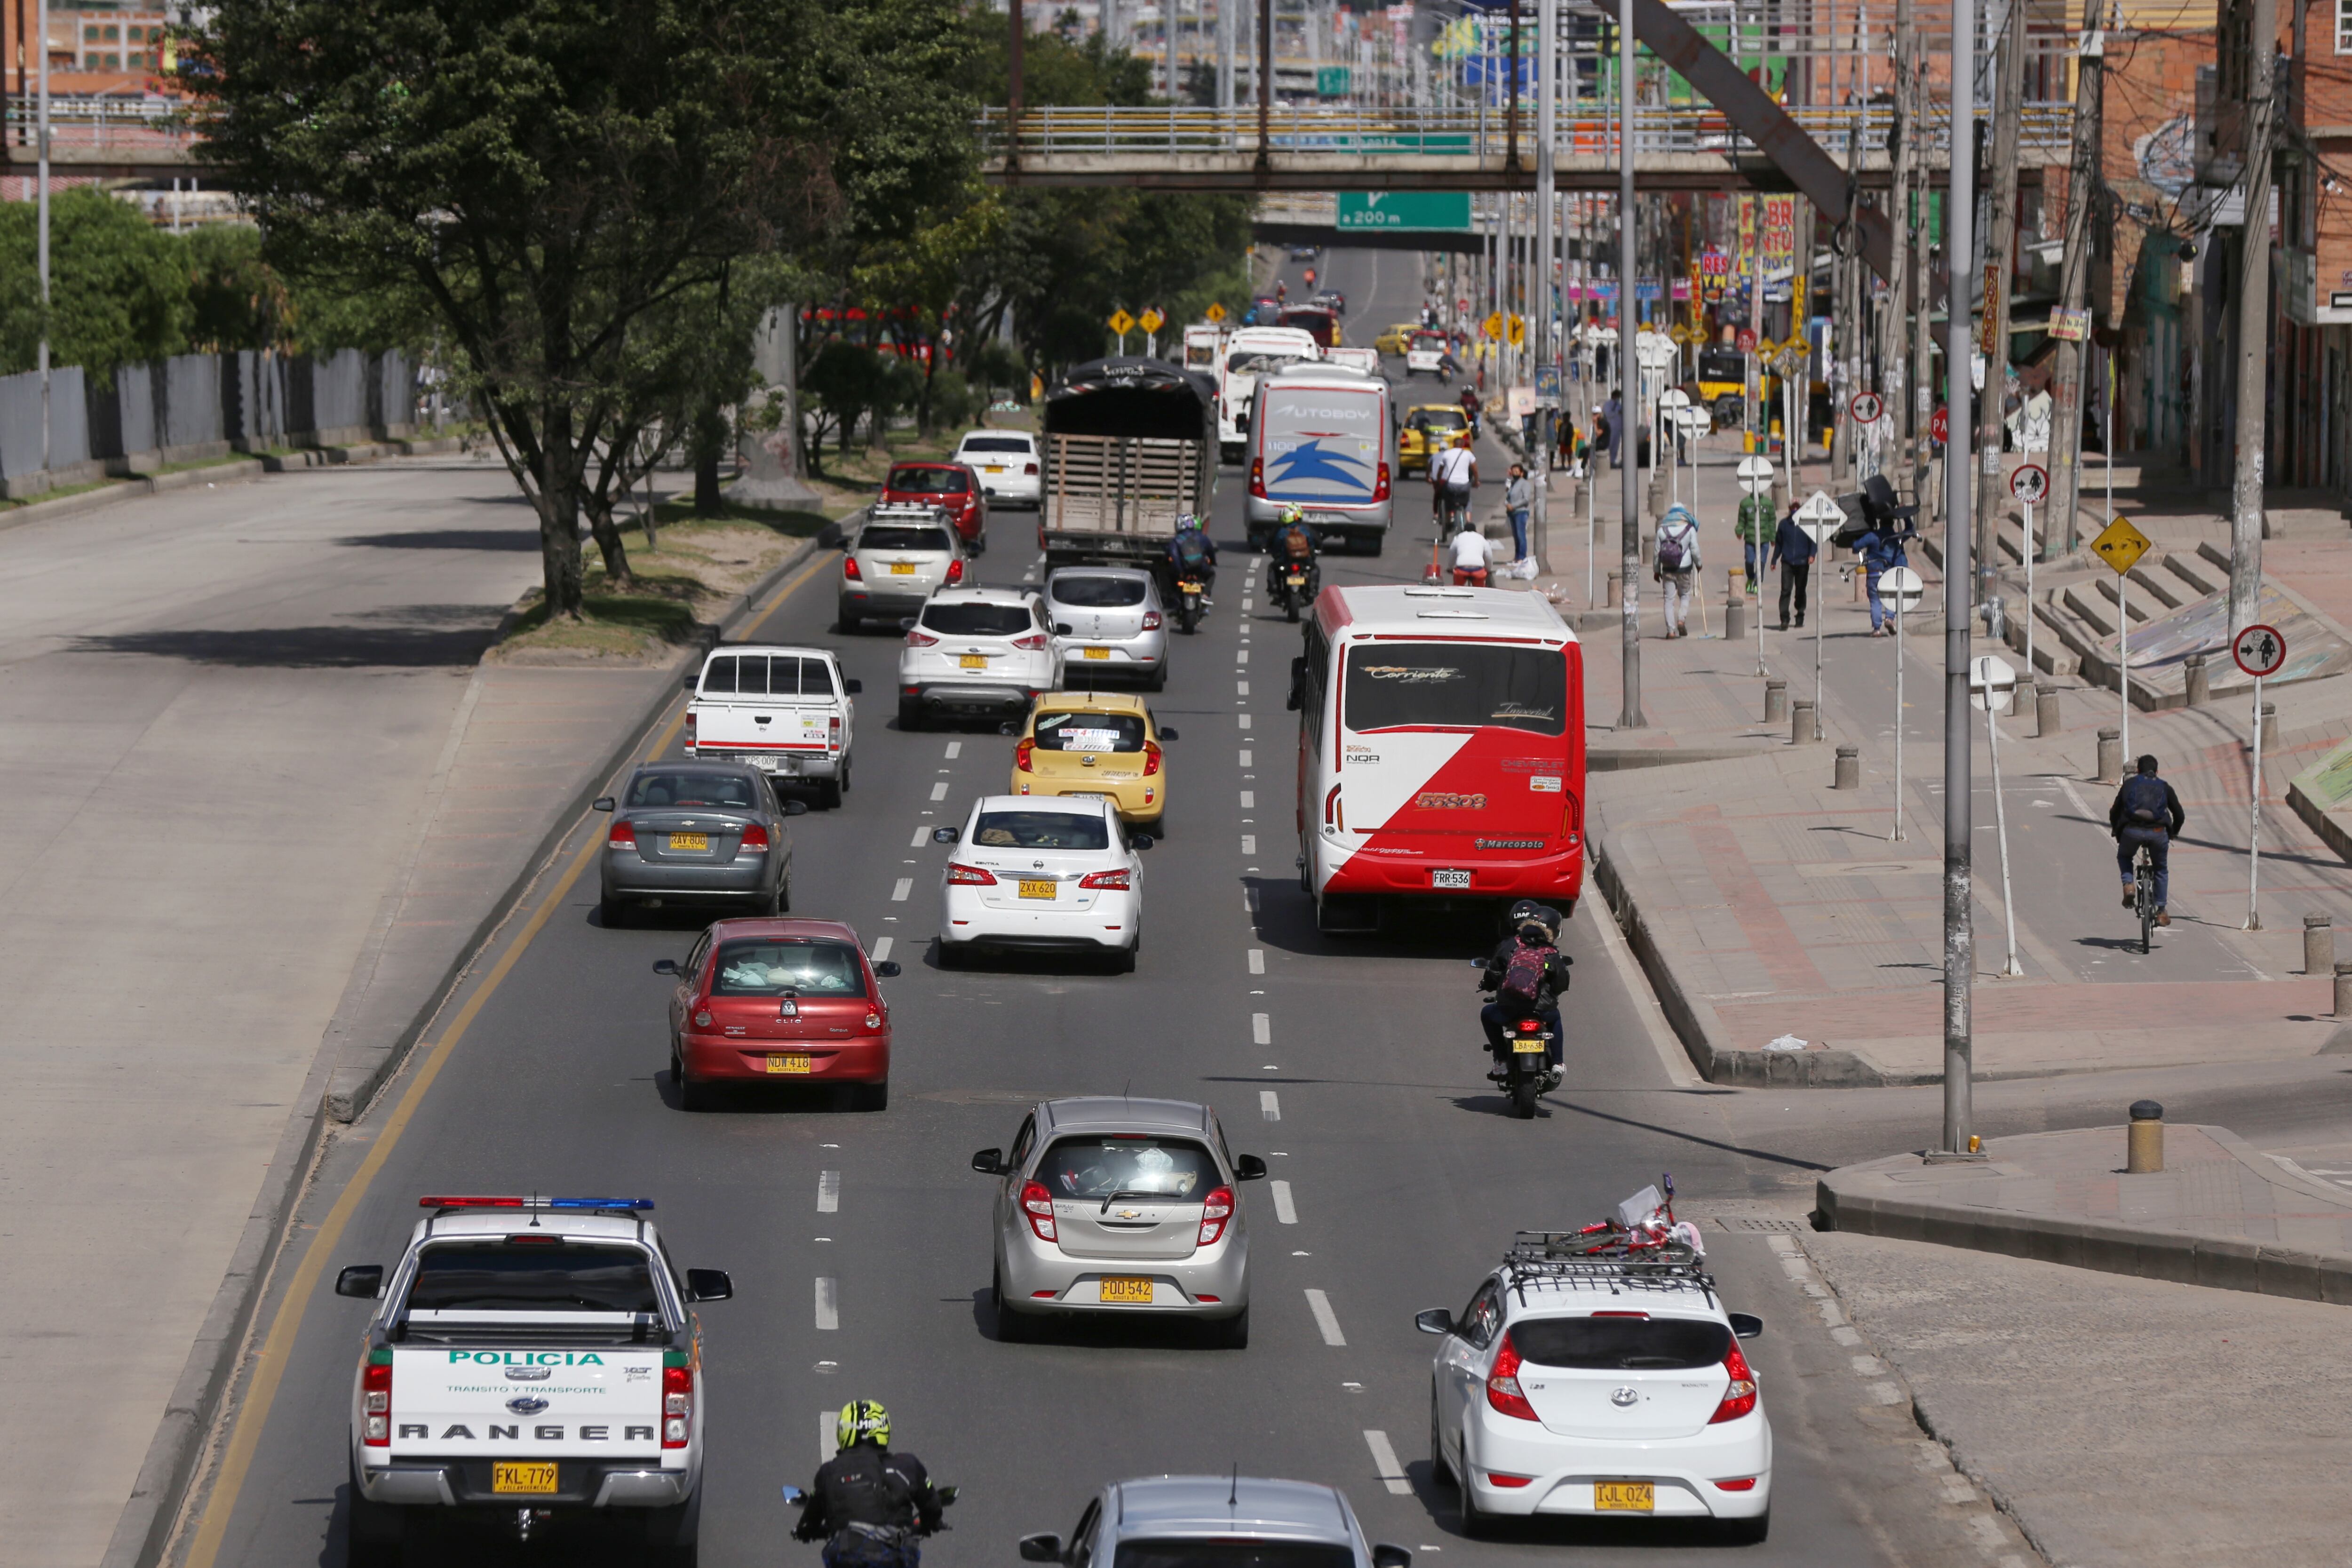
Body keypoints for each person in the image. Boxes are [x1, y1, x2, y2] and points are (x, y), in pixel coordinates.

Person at [792, 1401, 946, 1568]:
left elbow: (809, 1522)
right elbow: (933, 1509)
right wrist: (930, 1523)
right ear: (884, 1429)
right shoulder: (907, 1464)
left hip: (847, 1558)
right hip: (895, 1560)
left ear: (844, 1431)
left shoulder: (829, 1471)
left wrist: (805, 1531)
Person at [1478, 899, 1573, 1085]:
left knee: (1487, 1014)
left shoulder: (1510, 945)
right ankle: (1558, 1064)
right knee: (1555, 1019)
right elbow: (1562, 983)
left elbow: (1494, 971)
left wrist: (1489, 984)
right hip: (1543, 1010)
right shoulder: (1550, 952)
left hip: (1509, 1009)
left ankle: (1502, 1061)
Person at [2108, 754, 2185, 926]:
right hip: (2158, 833)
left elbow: (2115, 811)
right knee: (2161, 869)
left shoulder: (2129, 785)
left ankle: (2129, 885)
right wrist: (2173, 832)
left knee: (2125, 856)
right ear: (2157, 771)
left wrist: (2116, 829)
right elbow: (2180, 815)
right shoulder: (2165, 787)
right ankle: (2161, 911)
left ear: (2137, 771)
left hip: (2131, 831)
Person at [1856, 517, 1915, 636]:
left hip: (1874, 573)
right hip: (1889, 574)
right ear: (1893, 523)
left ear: (1880, 523)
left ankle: (1877, 629)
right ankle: (1889, 619)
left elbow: (1856, 546)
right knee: (1891, 598)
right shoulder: (1896, 537)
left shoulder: (1872, 536)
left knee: (1875, 601)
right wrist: (1907, 518)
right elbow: (1911, 531)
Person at [1653, 503, 1700, 638]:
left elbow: (1657, 553)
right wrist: (1699, 564)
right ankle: (1681, 620)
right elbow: (1695, 550)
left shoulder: (1662, 530)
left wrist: (1657, 571)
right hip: (1685, 569)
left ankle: (1671, 631)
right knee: (1685, 595)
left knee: (1669, 599)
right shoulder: (1689, 529)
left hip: (1667, 568)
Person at [1769, 503, 1814, 629]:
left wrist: (1812, 554)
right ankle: (1784, 619)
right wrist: (1774, 560)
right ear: (1789, 510)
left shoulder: (1806, 524)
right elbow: (1779, 544)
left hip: (1802, 562)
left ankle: (1800, 615)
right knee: (1786, 590)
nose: (1795, 510)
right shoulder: (1784, 524)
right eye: (1793, 508)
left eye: (1797, 508)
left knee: (1800, 591)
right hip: (1787, 562)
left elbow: (1813, 541)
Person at [1266, 505, 1319, 598]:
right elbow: (1315, 543)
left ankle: (1275, 590)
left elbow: (1275, 546)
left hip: (1285, 560)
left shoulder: (1281, 531)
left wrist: (1275, 554)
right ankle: (1312, 590)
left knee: (1272, 568)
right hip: (1305, 560)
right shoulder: (1306, 529)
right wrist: (1314, 554)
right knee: (1315, 569)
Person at [1430, 439, 1478, 533]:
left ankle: (1448, 520)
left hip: (1451, 484)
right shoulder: (1468, 454)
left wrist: (1439, 481)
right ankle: (1469, 521)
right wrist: (1476, 482)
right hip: (1464, 485)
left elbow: (1441, 470)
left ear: (1453, 444)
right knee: (1468, 501)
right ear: (1463, 445)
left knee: (1447, 501)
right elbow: (1475, 470)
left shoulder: (1447, 454)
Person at [1167, 512, 1216, 603]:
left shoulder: (1176, 540)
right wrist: (1213, 562)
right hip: (1201, 569)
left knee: (1170, 574)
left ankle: (1174, 595)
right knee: (1212, 574)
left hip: (1184, 570)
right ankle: (1205, 595)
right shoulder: (1202, 537)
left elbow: (1174, 557)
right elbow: (1211, 551)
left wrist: (1180, 572)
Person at [1734, 485, 1773, 597]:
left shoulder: (1768, 503)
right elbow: (1741, 520)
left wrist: (1773, 538)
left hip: (1764, 539)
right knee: (1750, 561)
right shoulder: (1745, 503)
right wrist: (1739, 531)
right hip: (1750, 539)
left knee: (1761, 563)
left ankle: (1758, 584)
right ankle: (1751, 578)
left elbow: (1772, 521)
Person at [1449, 517, 1496, 586]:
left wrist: (1450, 567)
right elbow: (1488, 555)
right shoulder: (1481, 538)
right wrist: (1488, 568)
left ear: (1464, 531)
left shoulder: (1458, 537)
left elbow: (1452, 553)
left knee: (1457, 588)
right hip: (1478, 570)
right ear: (1476, 531)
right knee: (1480, 591)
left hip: (1462, 569)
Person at [1502, 463, 1533, 565]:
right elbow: (1508, 497)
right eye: (1513, 471)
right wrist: (1507, 504)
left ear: (1521, 473)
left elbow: (1526, 499)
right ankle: (1517, 557)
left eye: (1517, 471)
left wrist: (1514, 506)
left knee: (1521, 535)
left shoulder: (1525, 484)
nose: (1515, 473)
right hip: (1512, 513)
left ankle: (1522, 557)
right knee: (1515, 536)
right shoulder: (1512, 483)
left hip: (1521, 512)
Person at [1603, 390, 1625, 470]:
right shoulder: (1608, 405)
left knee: (1616, 446)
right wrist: (1617, 412)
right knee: (1609, 445)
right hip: (1610, 428)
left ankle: (1613, 461)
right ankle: (1607, 462)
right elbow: (1608, 414)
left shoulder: (1619, 405)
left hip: (1618, 428)